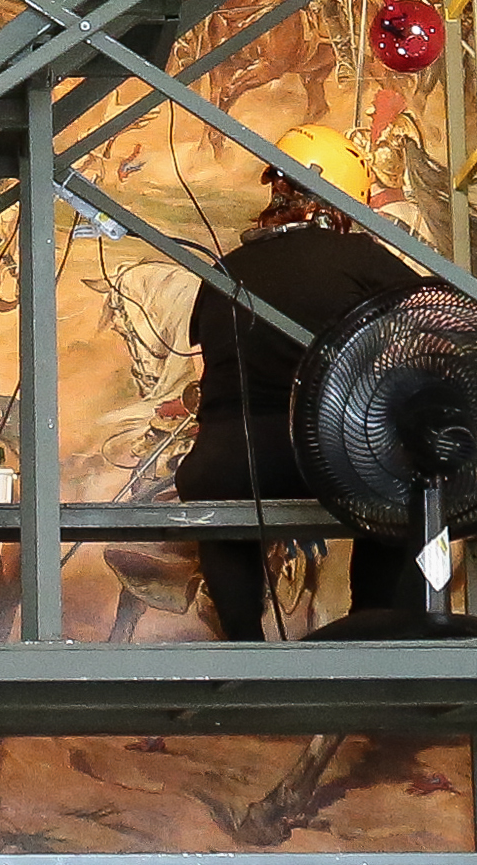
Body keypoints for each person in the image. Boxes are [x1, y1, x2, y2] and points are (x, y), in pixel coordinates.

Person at [173, 128, 435, 641]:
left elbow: (208, 351)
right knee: (404, 487)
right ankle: (373, 626)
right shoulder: (359, 257)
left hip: (225, 463)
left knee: (222, 496)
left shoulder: (226, 270)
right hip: (329, 453)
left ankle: (244, 639)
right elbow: (442, 317)